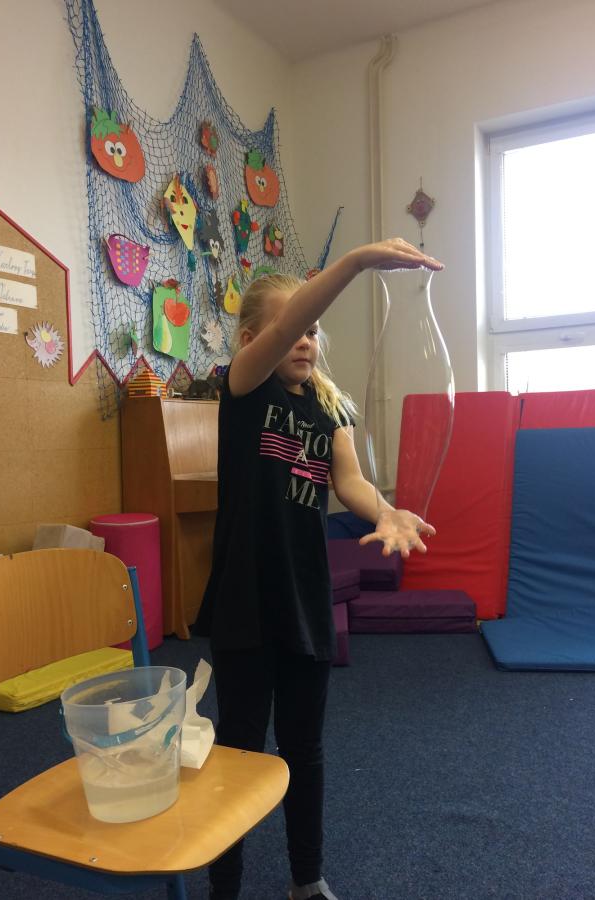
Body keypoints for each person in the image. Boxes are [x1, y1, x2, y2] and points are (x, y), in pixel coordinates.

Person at [195, 238, 444, 900]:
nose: (304, 338)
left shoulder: (329, 407)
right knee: (241, 750)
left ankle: (306, 879)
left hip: (304, 597)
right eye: (293, 327)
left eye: (312, 330)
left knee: (304, 748)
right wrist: (356, 263)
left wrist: (385, 511)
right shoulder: (244, 388)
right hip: (247, 599)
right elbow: (281, 329)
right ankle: (225, 885)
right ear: (252, 338)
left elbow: (349, 480)